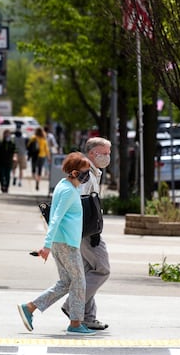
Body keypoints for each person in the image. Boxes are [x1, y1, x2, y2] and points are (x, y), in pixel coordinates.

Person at [17, 152, 97, 336]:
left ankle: (29, 308)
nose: (88, 175)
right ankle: (76, 323)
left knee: (66, 282)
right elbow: (55, 218)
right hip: (66, 244)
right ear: (75, 173)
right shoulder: (68, 191)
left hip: (63, 242)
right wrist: (46, 245)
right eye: (85, 172)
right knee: (79, 282)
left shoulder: (66, 185)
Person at [61, 136, 111, 330]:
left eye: (109, 153)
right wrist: (91, 232)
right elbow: (79, 202)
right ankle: (72, 305)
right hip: (87, 232)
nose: (108, 157)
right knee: (102, 270)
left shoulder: (91, 172)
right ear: (92, 153)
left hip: (83, 231)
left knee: (88, 272)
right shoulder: (86, 174)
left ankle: (87, 317)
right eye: (104, 153)